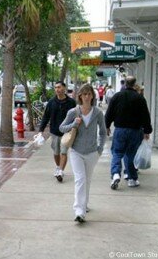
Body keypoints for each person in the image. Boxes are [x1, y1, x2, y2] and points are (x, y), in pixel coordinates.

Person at [59, 84, 106, 223]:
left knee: (87, 180)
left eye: (89, 94)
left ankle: (84, 205)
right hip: (76, 151)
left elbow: (103, 132)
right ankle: (79, 210)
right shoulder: (73, 112)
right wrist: (74, 124)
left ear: (92, 96)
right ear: (80, 96)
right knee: (80, 179)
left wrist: (100, 149)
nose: (86, 96)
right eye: (84, 94)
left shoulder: (97, 113)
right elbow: (61, 128)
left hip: (92, 152)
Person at [105, 76, 152, 189]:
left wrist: (107, 126)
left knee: (117, 152)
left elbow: (109, 112)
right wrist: (147, 130)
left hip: (120, 130)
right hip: (135, 131)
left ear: (125, 83)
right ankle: (131, 178)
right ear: (134, 84)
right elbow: (145, 116)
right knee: (131, 154)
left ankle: (115, 174)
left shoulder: (117, 96)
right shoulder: (140, 98)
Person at [38, 81, 76, 182]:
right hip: (54, 131)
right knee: (56, 152)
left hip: (66, 132)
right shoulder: (51, 102)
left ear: (64, 88)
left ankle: (60, 171)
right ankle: (58, 166)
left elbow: (76, 116)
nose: (57, 89)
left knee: (63, 151)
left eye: (59, 87)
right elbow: (46, 116)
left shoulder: (71, 102)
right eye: (55, 88)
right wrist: (40, 130)